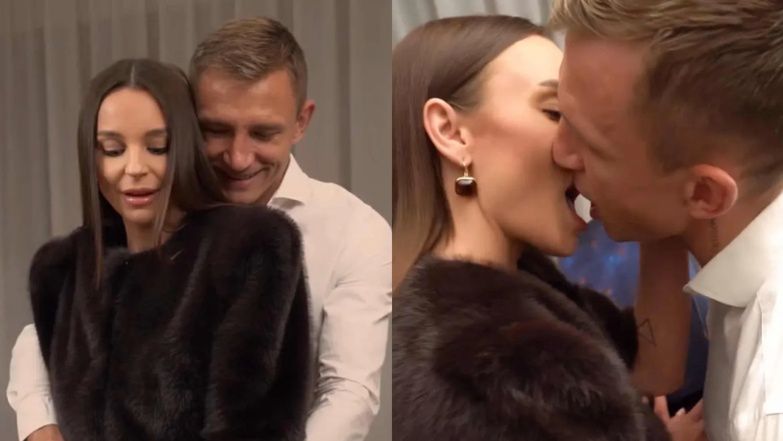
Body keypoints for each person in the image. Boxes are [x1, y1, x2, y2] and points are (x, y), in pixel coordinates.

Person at [7, 18, 391, 441]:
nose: (238, 158)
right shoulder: (147, 211)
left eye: (263, 133)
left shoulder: (352, 230)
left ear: (301, 121)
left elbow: (348, 393)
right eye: (216, 130)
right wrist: (39, 421)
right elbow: (56, 327)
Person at [392, 15, 695, 441]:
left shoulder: (516, 284)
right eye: (556, 113)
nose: (577, 150)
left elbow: (653, 366)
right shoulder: (499, 365)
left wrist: (656, 192)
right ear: (451, 132)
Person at [25, 58, 311, 440]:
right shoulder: (60, 272)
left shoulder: (249, 248)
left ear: (185, 148)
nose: (134, 167)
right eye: (113, 149)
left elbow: (255, 427)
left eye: (157, 147)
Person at [549, 1, 783, 440]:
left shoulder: (768, 408)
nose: (559, 152)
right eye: (555, 112)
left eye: (590, 144)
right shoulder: (733, 237)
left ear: (703, 195)